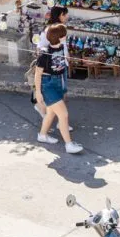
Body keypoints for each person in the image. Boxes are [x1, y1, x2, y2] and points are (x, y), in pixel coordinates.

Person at [34, 24, 83, 153]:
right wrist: (38, 93)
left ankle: (42, 135)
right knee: (63, 115)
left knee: (51, 113)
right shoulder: (45, 54)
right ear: (60, 37)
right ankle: (69, 145)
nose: (66, 36)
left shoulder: (61, 47)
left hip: (58, 82)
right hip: (48, 84)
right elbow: (37, 74)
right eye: (64, 35)